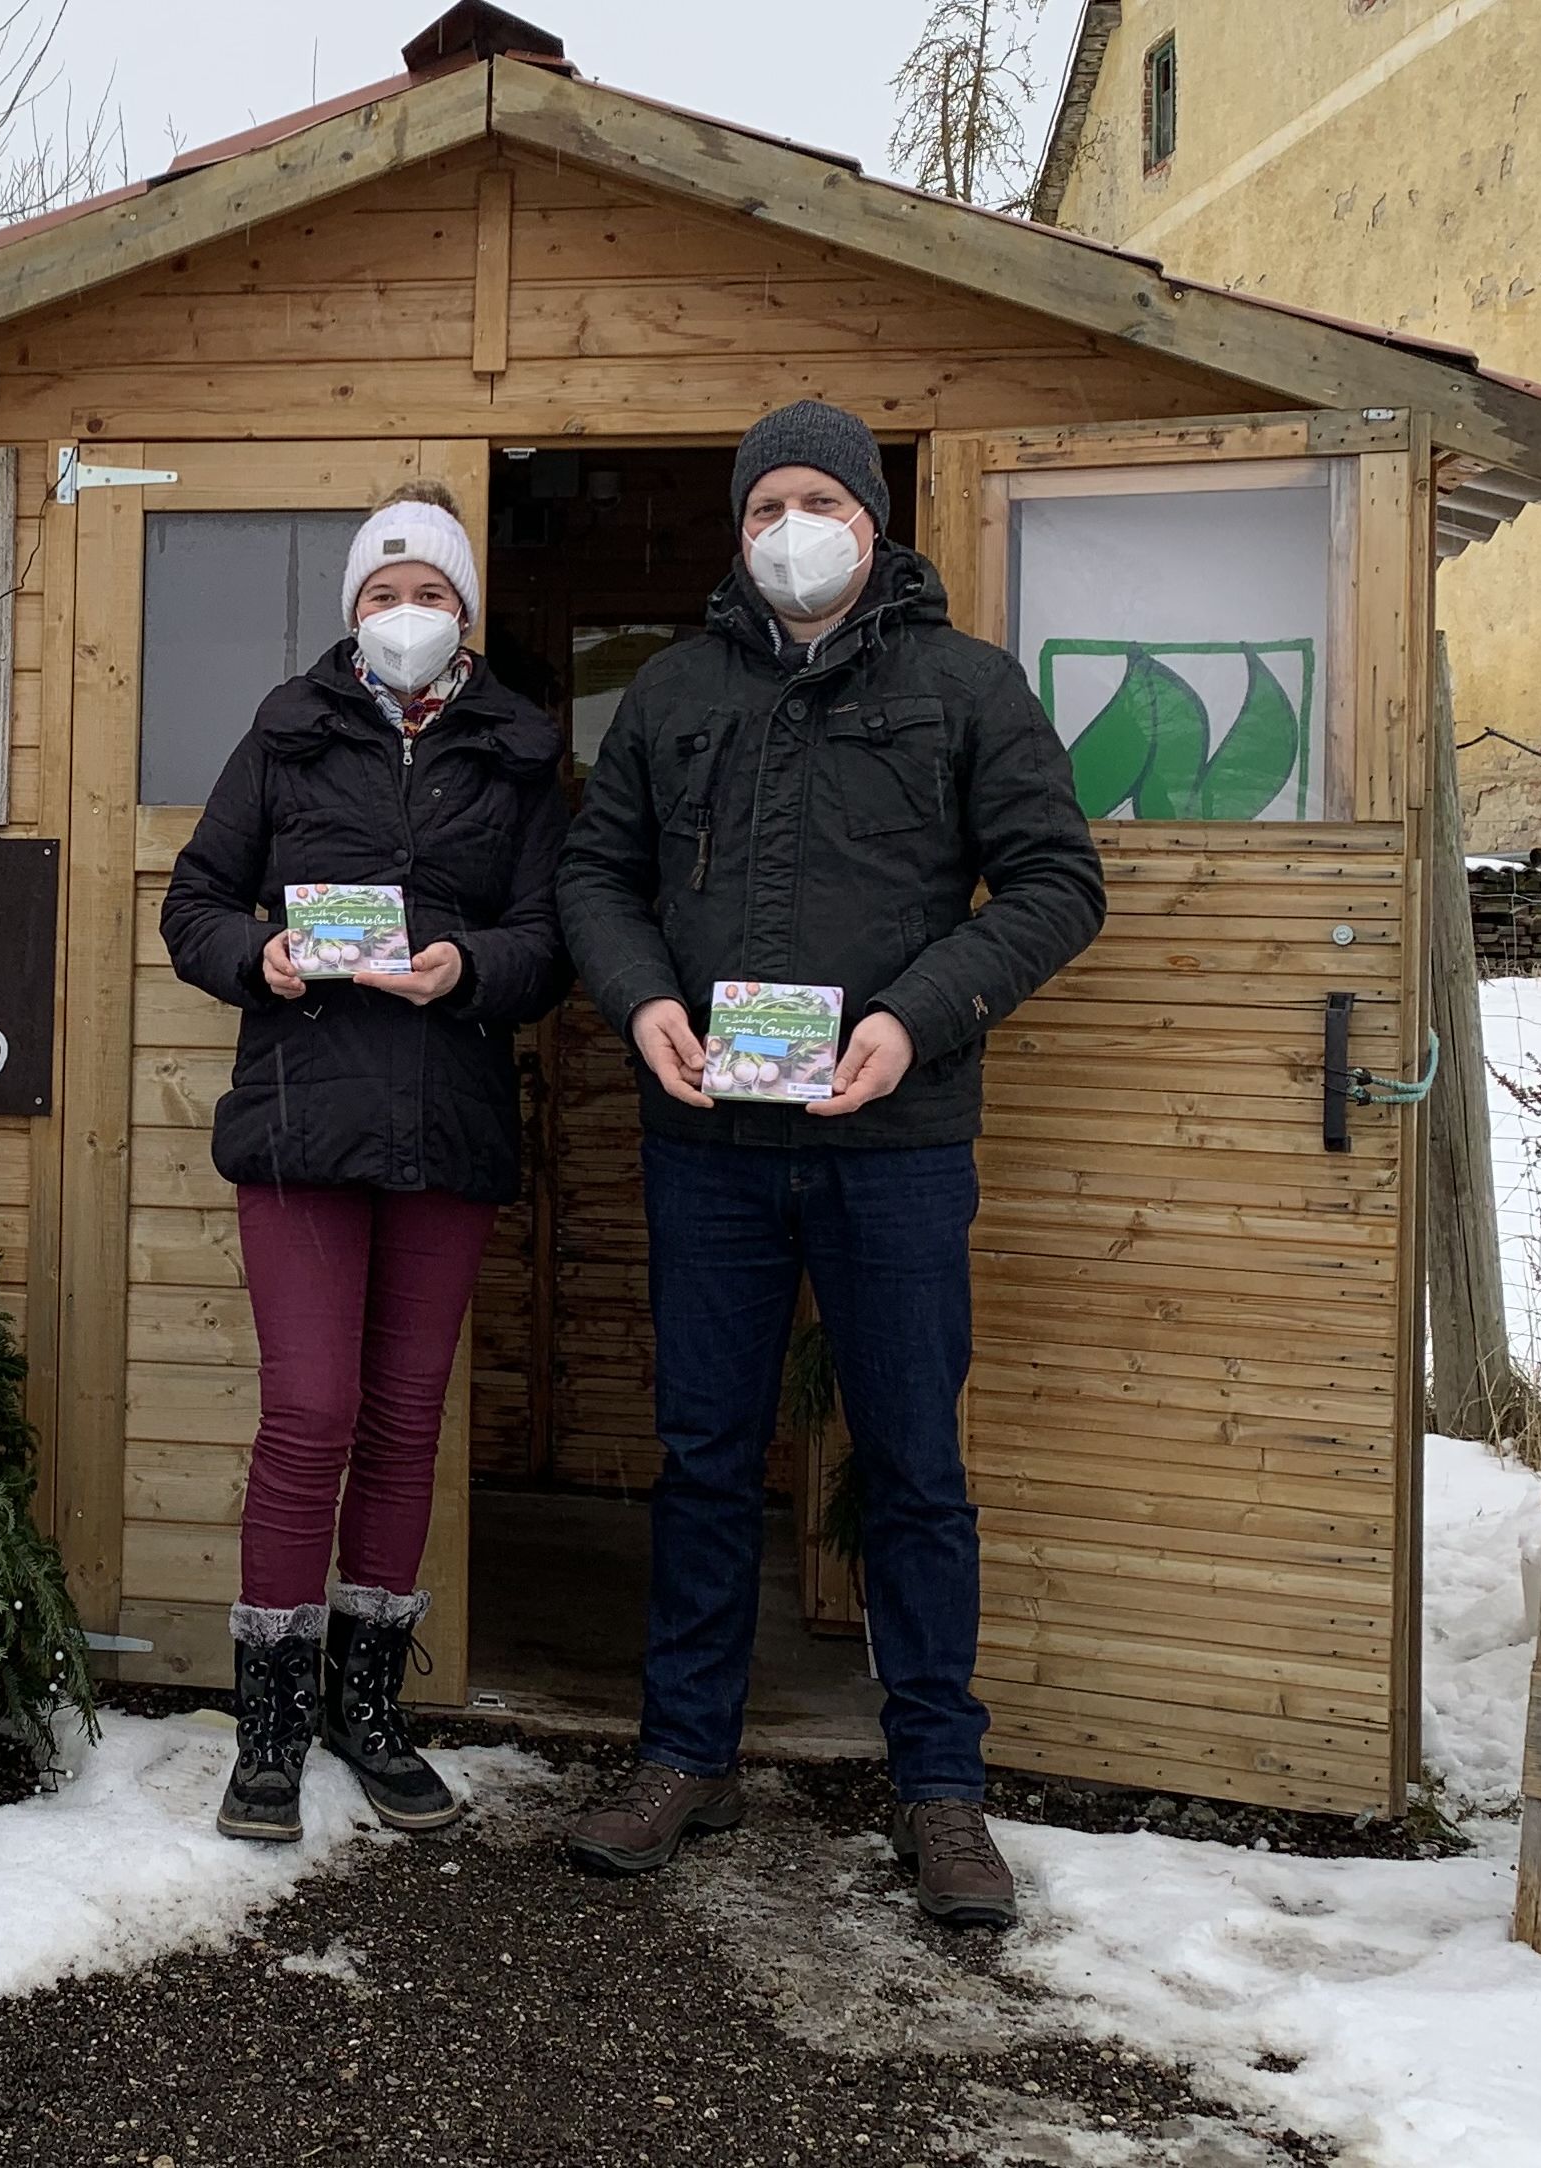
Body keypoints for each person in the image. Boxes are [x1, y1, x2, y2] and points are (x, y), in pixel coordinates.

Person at [554, 402, 1105, 1924]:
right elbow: (595, 873)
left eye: (816, 501)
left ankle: (939, 1792)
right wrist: (642, 999)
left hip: (897, 1143)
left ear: (872, 520)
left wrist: (916, 1020)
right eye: (760, 508)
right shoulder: (670, 693)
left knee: (914, 1471)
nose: (786, 529)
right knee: (704, 1462)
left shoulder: (962, 687)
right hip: (708, 1145)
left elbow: (1055, 883)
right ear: (737, 534)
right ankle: (685, 1754)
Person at [163, 483, 569, 1844]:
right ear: (353, 610)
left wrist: (470, 967)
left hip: (446, 1122)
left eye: (432, 594)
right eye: (384, 594)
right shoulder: (283, 734)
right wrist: (257, 958)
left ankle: (369, 1710)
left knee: (404, 1420)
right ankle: (269, 1728)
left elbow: (551, 940)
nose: (407, 616)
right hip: (298, 1124)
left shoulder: (519, 752)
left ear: (465, 613)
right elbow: (194, 902)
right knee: (310, 1416)